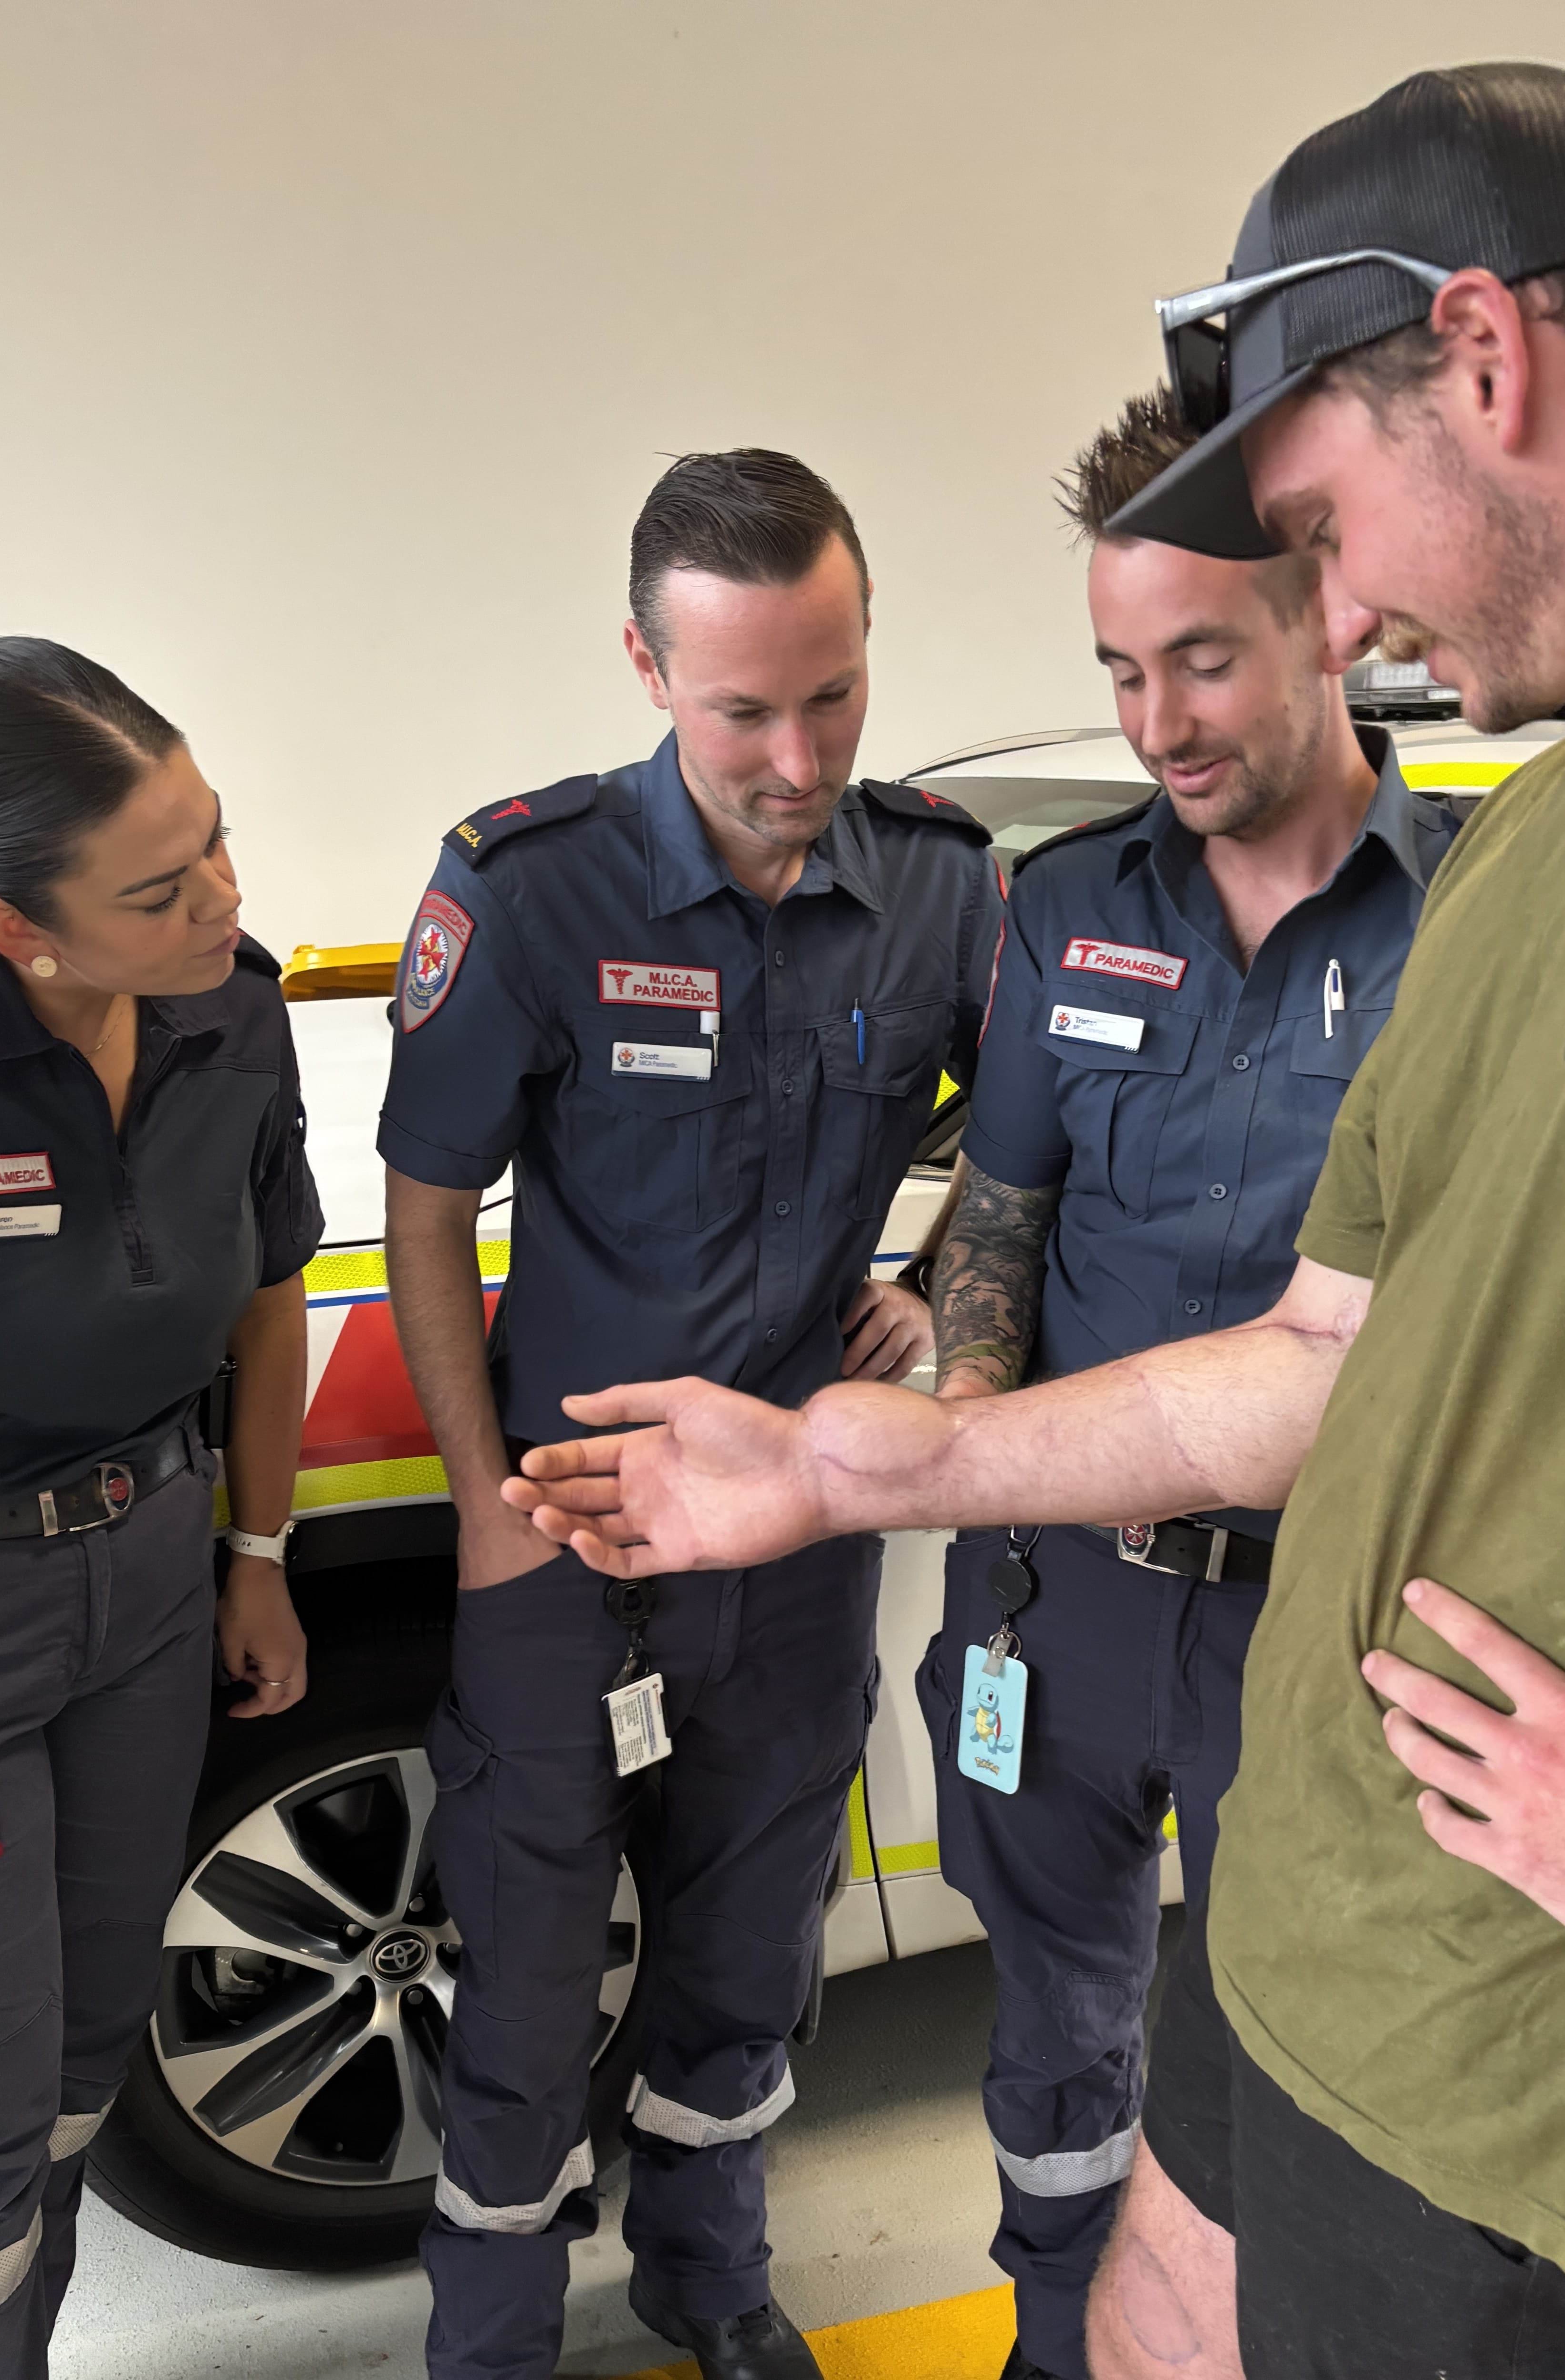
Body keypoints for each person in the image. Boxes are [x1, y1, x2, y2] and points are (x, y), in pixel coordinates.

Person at [503, 64, 1565, 2380]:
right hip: (1303, 1946)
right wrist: (894, 1460)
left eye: (1319, 523)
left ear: (1486, 357)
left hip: (1557, 2057)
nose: (1335, 603)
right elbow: (1322, 1358)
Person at [379, 449, 1002, 2380]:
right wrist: (485, 1500)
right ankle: (489, 2340)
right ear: (647, 667)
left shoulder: (943, 888)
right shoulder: (532, 883)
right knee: (529, 1977)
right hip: (571, 1544)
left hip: (794, 1546)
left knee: (749, 1961)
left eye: (835, 695)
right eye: (747, 709)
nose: (800, 755)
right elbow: (423, 1200)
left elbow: (1035, 1131)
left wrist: (942, 1278)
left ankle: (709, 2289)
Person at [918, 389, 1455, 2380]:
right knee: (1053, 1996)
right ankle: (1062, 2340)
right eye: (1122, 673)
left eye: (1205, 658)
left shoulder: (1472, 923)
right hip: (1058, 1598)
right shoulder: (1062, 909)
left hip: (1316, 1617)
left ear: (1332, 616)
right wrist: (964, 1431)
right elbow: (1001, 1215)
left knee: (1296, 2042)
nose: (1158, 723)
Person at [0, 638, 319, 2379]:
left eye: (216, 836)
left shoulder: (232, 998)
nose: (222, 896)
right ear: (15, 930)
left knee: (79, 2073)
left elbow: (267, 1281)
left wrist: (260, 1554)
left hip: (149, 1576)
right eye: (161, 886)